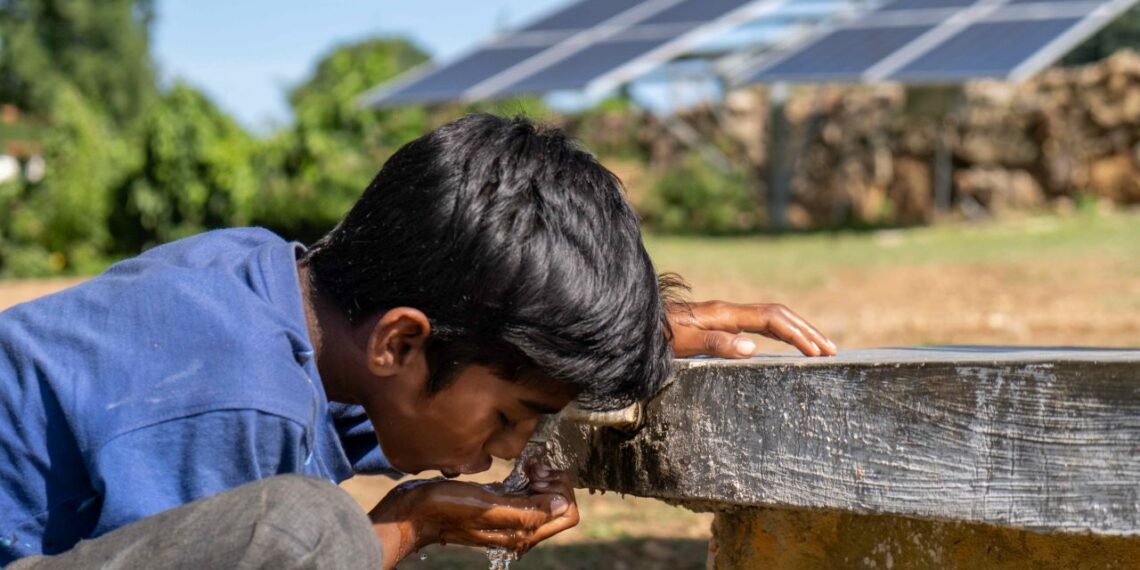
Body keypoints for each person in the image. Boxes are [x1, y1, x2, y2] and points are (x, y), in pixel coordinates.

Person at [0, 114, 835, 569]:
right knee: (313, 533)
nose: (511, 447)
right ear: (402, 341)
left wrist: (609, 335)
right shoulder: (234, 406)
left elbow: (351, 410)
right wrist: (403, 530)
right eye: (512, 416)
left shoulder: (266, 283)